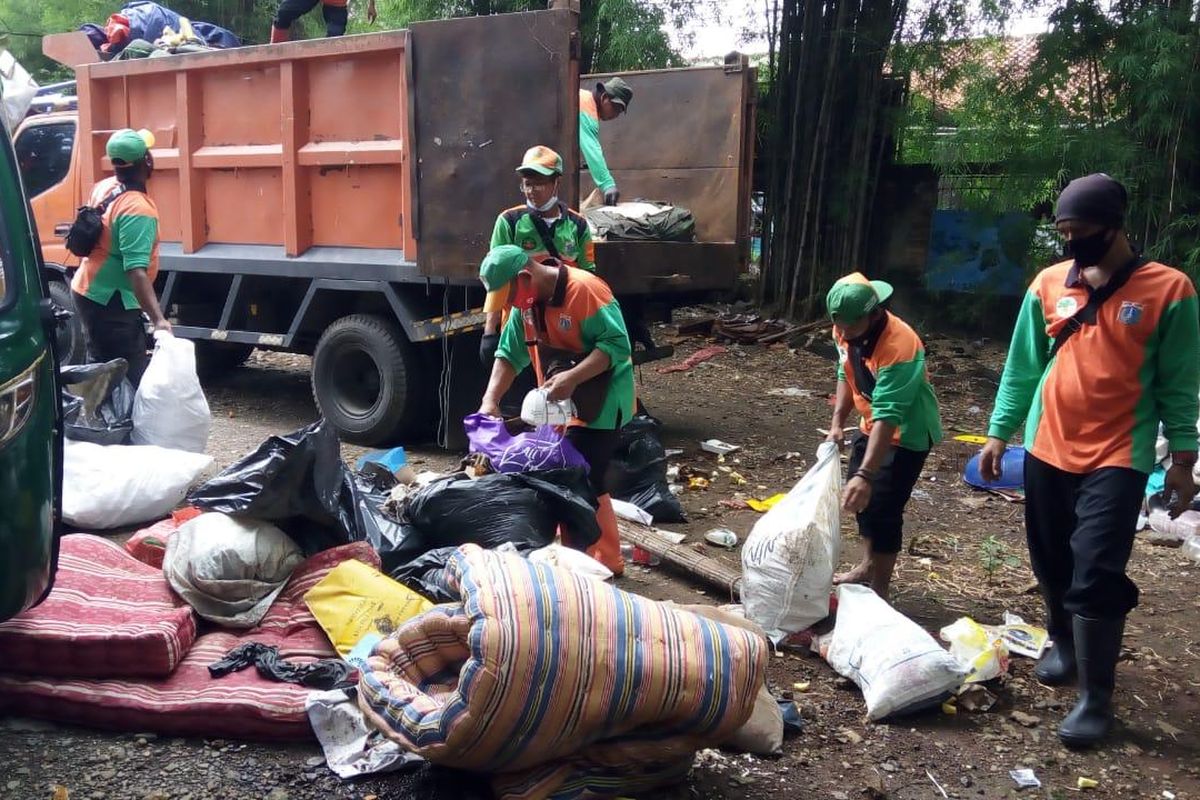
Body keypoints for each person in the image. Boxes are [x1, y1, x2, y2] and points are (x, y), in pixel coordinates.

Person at [980, 173, 1200, 748]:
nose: (1071, 243)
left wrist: (1181, 456)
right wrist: (1000, 433)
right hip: (1047, 444)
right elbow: (1022, 365)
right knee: (1050, 558)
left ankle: (1095, 698)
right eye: (1064, 232)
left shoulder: (1169, 289)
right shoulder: (1050, 283)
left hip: (1118, 453)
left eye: (1082, 232)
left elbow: (1179, 380)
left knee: (1096, 568)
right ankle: (1064, 643)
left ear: (1114, 227)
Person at [477, 244, 634, 575]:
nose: (508, 306)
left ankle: (588, 565)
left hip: (602, 401)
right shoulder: (526, 306)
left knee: (578, 478)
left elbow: (618, 346)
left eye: (509, 296)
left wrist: (573, 378)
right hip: (559, 403)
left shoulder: (586, 290)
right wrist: (489, 400)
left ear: (525, 277)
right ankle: (598, 558)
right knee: (578, 476)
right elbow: (508, 354)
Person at [824, 273, 942, 600]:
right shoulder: (844, 328)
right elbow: (844, 373)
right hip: (870, 425)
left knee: (885, 510)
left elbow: (890, 415)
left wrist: (866, 473)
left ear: (874, 314)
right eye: (840, 327)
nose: (843, 334)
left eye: (851, 327)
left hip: (907, 434)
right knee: (863, 503)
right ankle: (866, 565)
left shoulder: (901, 345)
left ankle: (880, 591)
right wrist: (837, 422)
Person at [70, 128, 171, 387]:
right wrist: (159, 320)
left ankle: (98, 420)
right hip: (111, 301)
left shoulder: (105, 187)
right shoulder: (137, 208)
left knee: (102, 369)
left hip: (89, 290)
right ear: (146, 160)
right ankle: (117, 425)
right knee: (126, 377)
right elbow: (135, 271)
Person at [480, 145, 594, 364]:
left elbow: (588, 277)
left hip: (564, 328)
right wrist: (490, 332)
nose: (532, 191)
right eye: (527, 184)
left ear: (556, 183)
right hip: (519, 327)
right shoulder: (509, 222)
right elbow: (496, 278)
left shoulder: (577, 225)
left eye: (539, 184)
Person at [579, 77, 632, 206]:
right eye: (616, 109)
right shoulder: (587, 109)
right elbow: (591, 148)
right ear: (604, 98)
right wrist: (608, 184)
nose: (616, 115)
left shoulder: (581, 96)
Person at [270, 0, 375, 43]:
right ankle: (274, 50)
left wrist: (371, 5)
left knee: (335, 35)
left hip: (336, 3)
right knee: (284, 13)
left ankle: (328, 70)